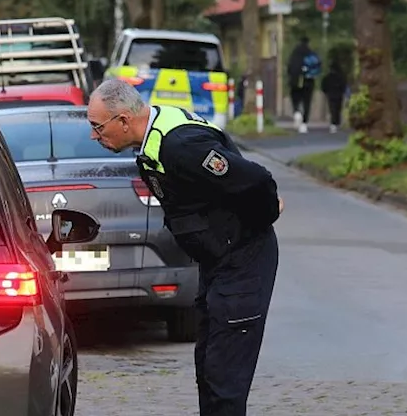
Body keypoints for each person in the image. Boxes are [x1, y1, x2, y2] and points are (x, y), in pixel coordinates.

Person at [86, 79, 282, 416]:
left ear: (123, 120)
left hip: (242, 262)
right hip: (217, 262)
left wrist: (262, 218)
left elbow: (256, 180)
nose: (94, 135)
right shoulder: (156, 136)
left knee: (225, 379)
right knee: (208, 367)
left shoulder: (181, 146)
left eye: (97, 126)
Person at [286, 37, 321, 134]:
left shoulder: (294, 54)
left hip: (295, 81)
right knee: (307, 102)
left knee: (295, 98)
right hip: (308, 81)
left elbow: (289, 68)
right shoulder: (311, 53)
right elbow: (317, 66)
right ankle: (304, 124)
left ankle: (297, 112)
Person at [320, 60, 347, 134]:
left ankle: (333, 124)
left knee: (332, 109)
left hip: (330, 95)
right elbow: (344, 85)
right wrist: (342, 91)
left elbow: (323, 85)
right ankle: (337, 122)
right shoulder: (341, 77)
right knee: (338, 109)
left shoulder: (328, 77)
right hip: (339, 95)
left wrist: (326, 92)